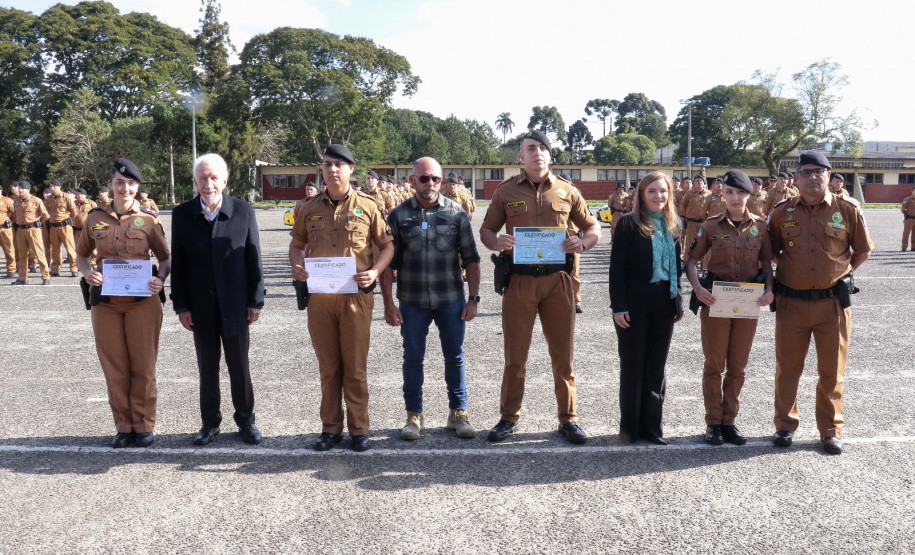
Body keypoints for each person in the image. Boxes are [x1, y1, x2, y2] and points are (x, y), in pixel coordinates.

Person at [479, 130, 601, 445]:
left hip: (558, 282)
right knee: (515, 356)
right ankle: (508, 416)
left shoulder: (567, 190)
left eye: (543, 148)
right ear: (521, 156)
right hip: (519, 281)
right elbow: (487, 229)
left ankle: (568, 419)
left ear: (550, 154)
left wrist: (583, 243)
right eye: (531, 148)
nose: (537, 153)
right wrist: (496, 241)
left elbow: (593, 227)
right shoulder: (506, 191)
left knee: (563, 356)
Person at [289, 144, 394, 452]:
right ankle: (331, 428)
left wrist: (374, 272)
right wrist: (297, 265)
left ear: (351, 169)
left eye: (338, 164)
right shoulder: (309, 207)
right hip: (320, 298)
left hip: (355, 297)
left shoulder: (368, 206)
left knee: (355, 368)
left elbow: (387, 246)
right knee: (329, 368)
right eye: (327, 164)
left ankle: (359, 429)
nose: (332, 169)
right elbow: (297, 245)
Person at [767, 152, 873, 455]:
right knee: (788, 368)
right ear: (796, 178)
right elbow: (771, 252)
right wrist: (793, 270)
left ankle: (830, 430)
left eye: (819, 171)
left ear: (829, 175)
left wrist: (839, 272)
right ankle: (785, 425)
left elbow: (862, 250)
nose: (812, 177)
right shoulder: (781, 212)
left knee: (832, 370)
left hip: (832, 304)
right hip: (791, 303)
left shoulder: (848, 209)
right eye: (805, 172)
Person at [380, 157, 481, 440]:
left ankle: (458, 413)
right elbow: (387, 264)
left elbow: (472, 259)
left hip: (451, 300)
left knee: (455, 357)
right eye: (424, 178)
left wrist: (473, 298)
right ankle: (414, 416)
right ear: (413, 180)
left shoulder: (457, 213)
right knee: (412, 358)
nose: (430, 183)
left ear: (441, 181)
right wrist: (388, 304)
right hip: (412, 302)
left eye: (435, 178)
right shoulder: (398, 215)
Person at [171, 153, 266, 446]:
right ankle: (210, 422)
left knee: (240, 367)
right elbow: (179, 264)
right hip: (200, 307)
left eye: (214, 178)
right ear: (194, 181)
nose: (208, 184)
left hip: (235, 305)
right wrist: (181, 305)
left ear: (225, 180)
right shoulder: (182, 215)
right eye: (203, 178)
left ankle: (246, 421)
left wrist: (256, 300)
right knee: (207, 369)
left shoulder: (243, 211)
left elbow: (254, 259)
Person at [75, 158, 170, 448]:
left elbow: (165, 258)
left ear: (137, 187)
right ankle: (124, 426)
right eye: (119, 182)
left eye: (130, 183)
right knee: (114, 366)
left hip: (142, 302)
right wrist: (88, 273)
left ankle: (143, 425)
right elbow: (81, 255)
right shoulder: (94, 218)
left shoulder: (149, 219)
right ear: (110, 184)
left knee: (143, 365)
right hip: (106, 304)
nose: (124, 188)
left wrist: (160, 279)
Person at [685, 170, 774, 445]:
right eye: (729, 192)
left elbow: (767, 264)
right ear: (722, 194)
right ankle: (713, 422)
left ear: (749, 194)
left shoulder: (761, 227)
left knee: (738, 366)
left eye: (741, 193)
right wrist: (698, 289)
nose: (735, 198)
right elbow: (691, 261)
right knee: (714, 364)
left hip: (748, 302)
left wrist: (769, 290)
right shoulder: (711, 225)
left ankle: (730, 422)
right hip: (717, 301)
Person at [609, 171, 683, 445]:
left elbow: (676, 265)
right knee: (633, 364)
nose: (658, 196)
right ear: (641, 194)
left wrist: (677, 300)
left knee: (656, 366)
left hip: (664, 301)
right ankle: (630, 428)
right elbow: (616, 268)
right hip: (634, 304)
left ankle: (652, 428)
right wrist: (618, 306)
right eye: (652, 191)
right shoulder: (629, 224)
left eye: (663, 191)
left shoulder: (674, 224)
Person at [11, 181, 50, 285]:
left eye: (22, 188)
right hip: (20, 230)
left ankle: (45, 276)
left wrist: (39, 223)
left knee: (39, 253)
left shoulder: (36, 200)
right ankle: (22, 278)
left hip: (33, 229)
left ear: (28, 190)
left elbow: (46, 215)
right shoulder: (16, 201)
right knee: (22, 254)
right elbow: (14, 215)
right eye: (19, 188)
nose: (20, 190)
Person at [72, 188, 97, 269]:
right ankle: (80, 265)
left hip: (88, 230)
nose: (79, 196)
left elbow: (97, 214)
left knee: (92, 247)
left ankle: (94, 264)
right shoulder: (73, 203)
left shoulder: (91, 203)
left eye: (81, 194)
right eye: (78, 194)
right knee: (78, 248)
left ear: (85, 195)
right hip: (77, 229)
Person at [0, 185, 15, 278]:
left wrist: (10, 221)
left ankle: (11, 269)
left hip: (4, 229)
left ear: (1, 191)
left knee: (8, 249)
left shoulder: (7, 200)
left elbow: (14, 213)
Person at [902, 186, 915, 251]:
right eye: (914, 191)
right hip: (909, 219)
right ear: (912, 191)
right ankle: (904, 246)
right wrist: (905, 214)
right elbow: (903, 209)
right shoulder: (907, 199)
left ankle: (913, 247)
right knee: (906, 233)